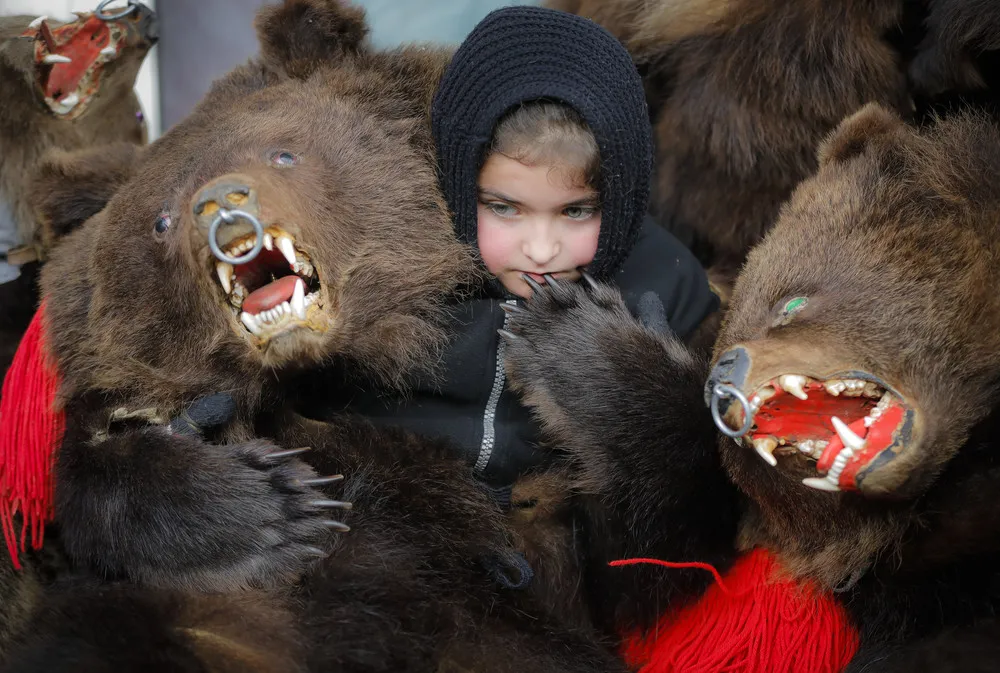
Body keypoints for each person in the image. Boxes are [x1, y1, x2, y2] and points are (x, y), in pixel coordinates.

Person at [321, 5, 719, 497]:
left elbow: (701, 484)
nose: (541, 249)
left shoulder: (670, 287)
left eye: (576, 212)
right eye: (505, 208)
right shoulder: (388, 276)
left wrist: (661, 392)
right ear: (460, 188)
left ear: (623, 200)